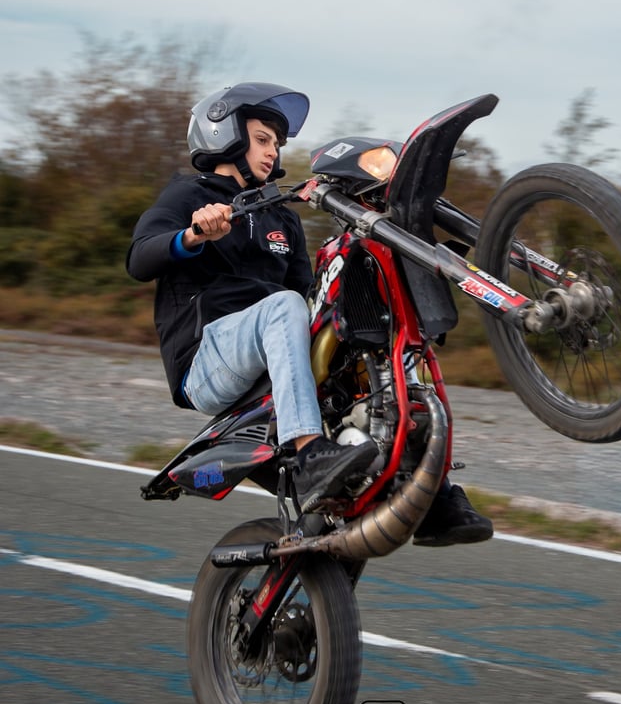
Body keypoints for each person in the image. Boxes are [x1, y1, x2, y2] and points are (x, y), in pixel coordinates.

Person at [127, 81, 492, 544]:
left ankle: (431, 489)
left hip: (268, 357)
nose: (272, 151)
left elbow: (307, 294)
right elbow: (139, 259)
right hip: (206, 361)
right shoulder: (189, 195)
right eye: (262, 139)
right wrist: (193, 235)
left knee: (380, 337)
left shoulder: (281, 216)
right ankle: (306, 452)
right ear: (224, 135)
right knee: (283, 306)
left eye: (276, 144)